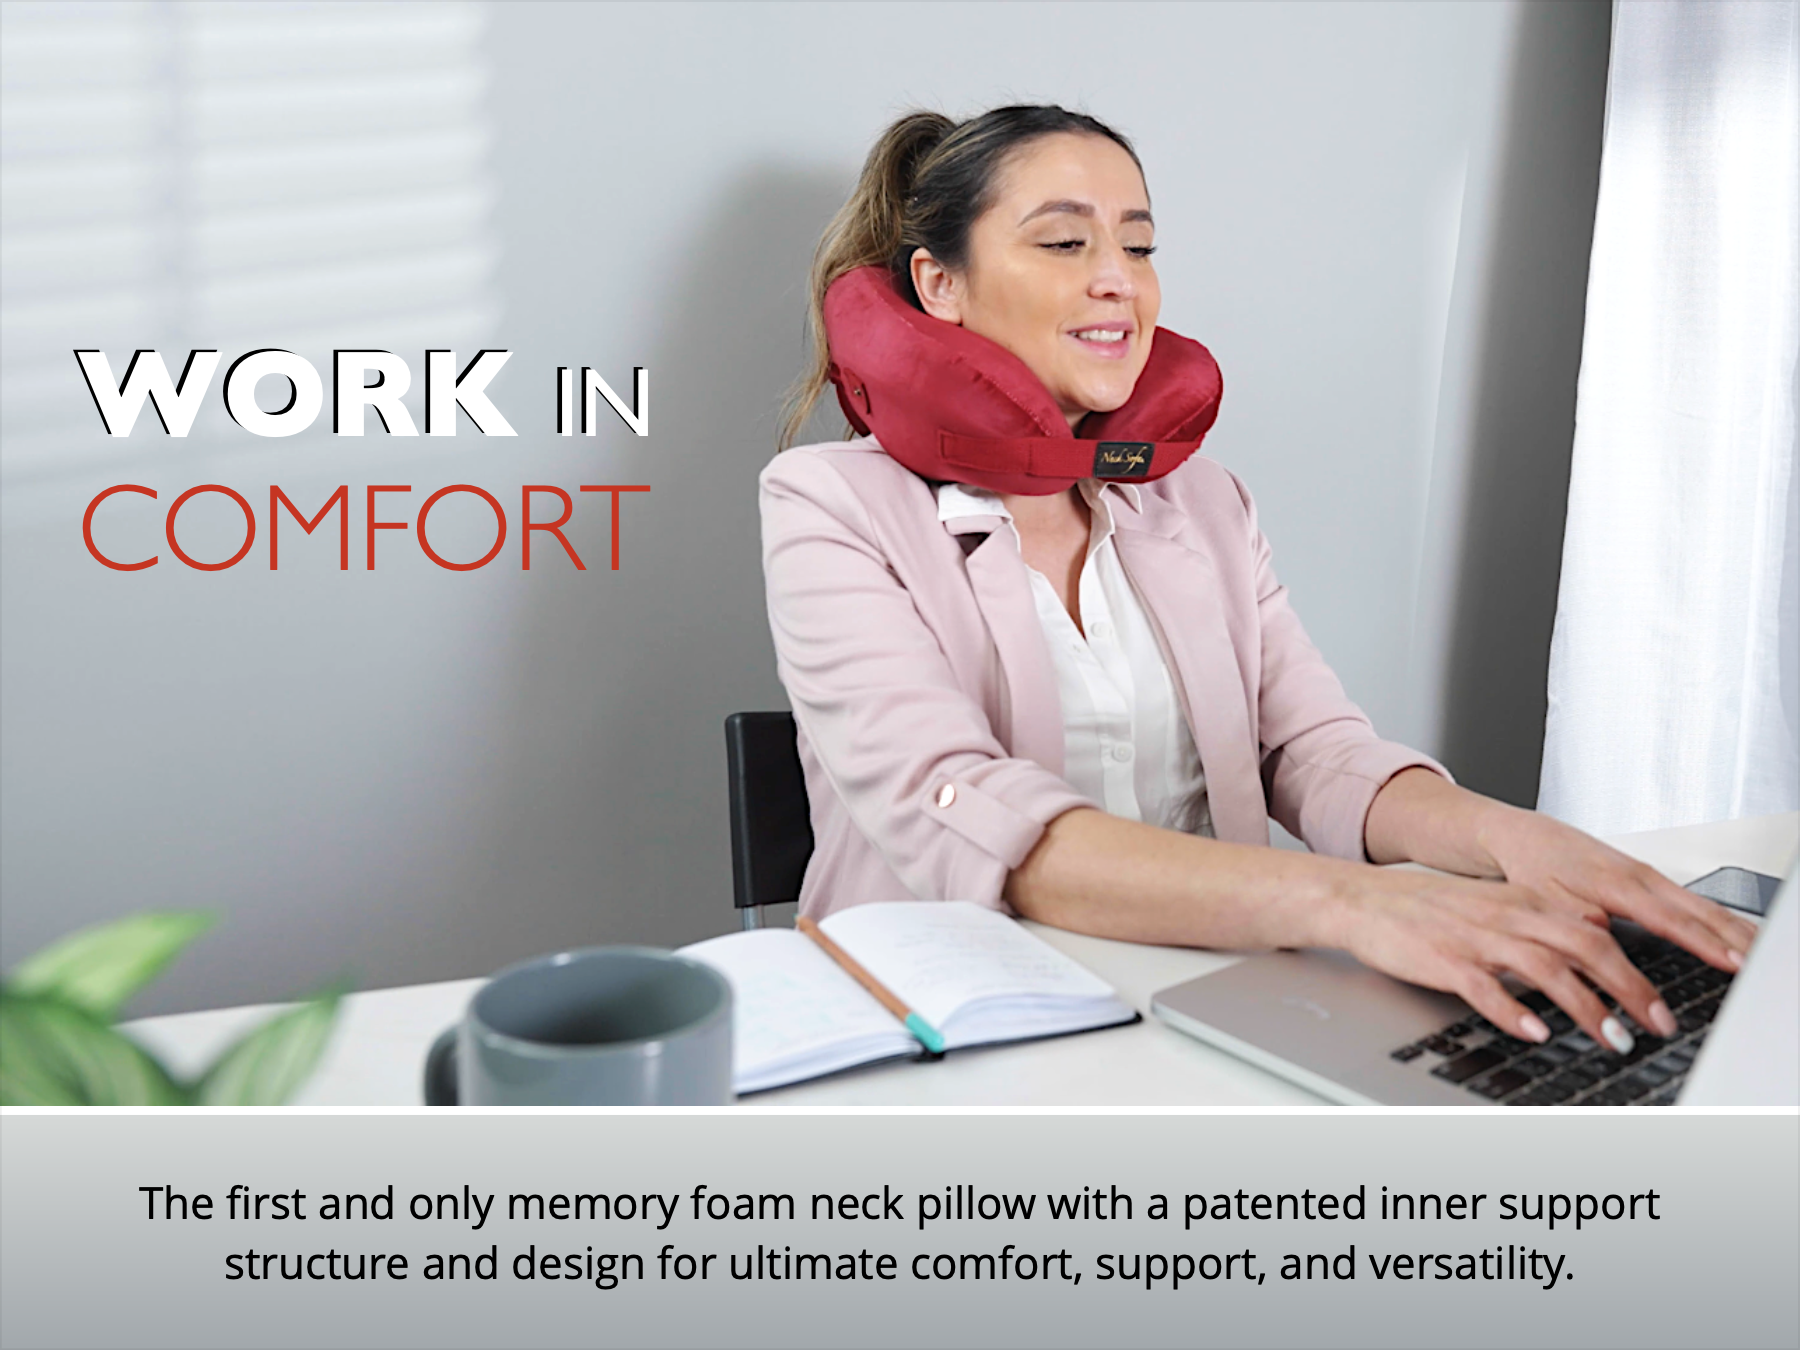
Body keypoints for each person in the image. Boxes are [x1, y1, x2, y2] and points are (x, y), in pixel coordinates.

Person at [759, 104, 1753, 1062]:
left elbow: (1313, 750)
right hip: (958, 1027)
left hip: (1212, 1005)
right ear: (940, 284)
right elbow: (970, 807)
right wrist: (1349, 903)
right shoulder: (826, 504)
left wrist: (1513, 839)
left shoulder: (1203, 502)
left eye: (1139, 246)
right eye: (1064, 244)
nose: (1117, 281)